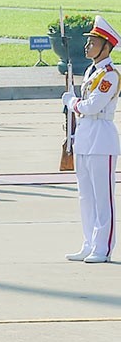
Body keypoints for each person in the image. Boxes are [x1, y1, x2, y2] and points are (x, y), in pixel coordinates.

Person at [64, 16, 119, 263]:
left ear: (106, 46)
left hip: (101, 137)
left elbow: (93, 105)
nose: (87, 46)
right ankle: (88, 242)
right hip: (85, 136)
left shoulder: (109, 75)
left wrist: (72, 102)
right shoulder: (91, 71)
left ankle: (102, 247)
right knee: (85, 195)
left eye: (93, 42)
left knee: (102, 196)